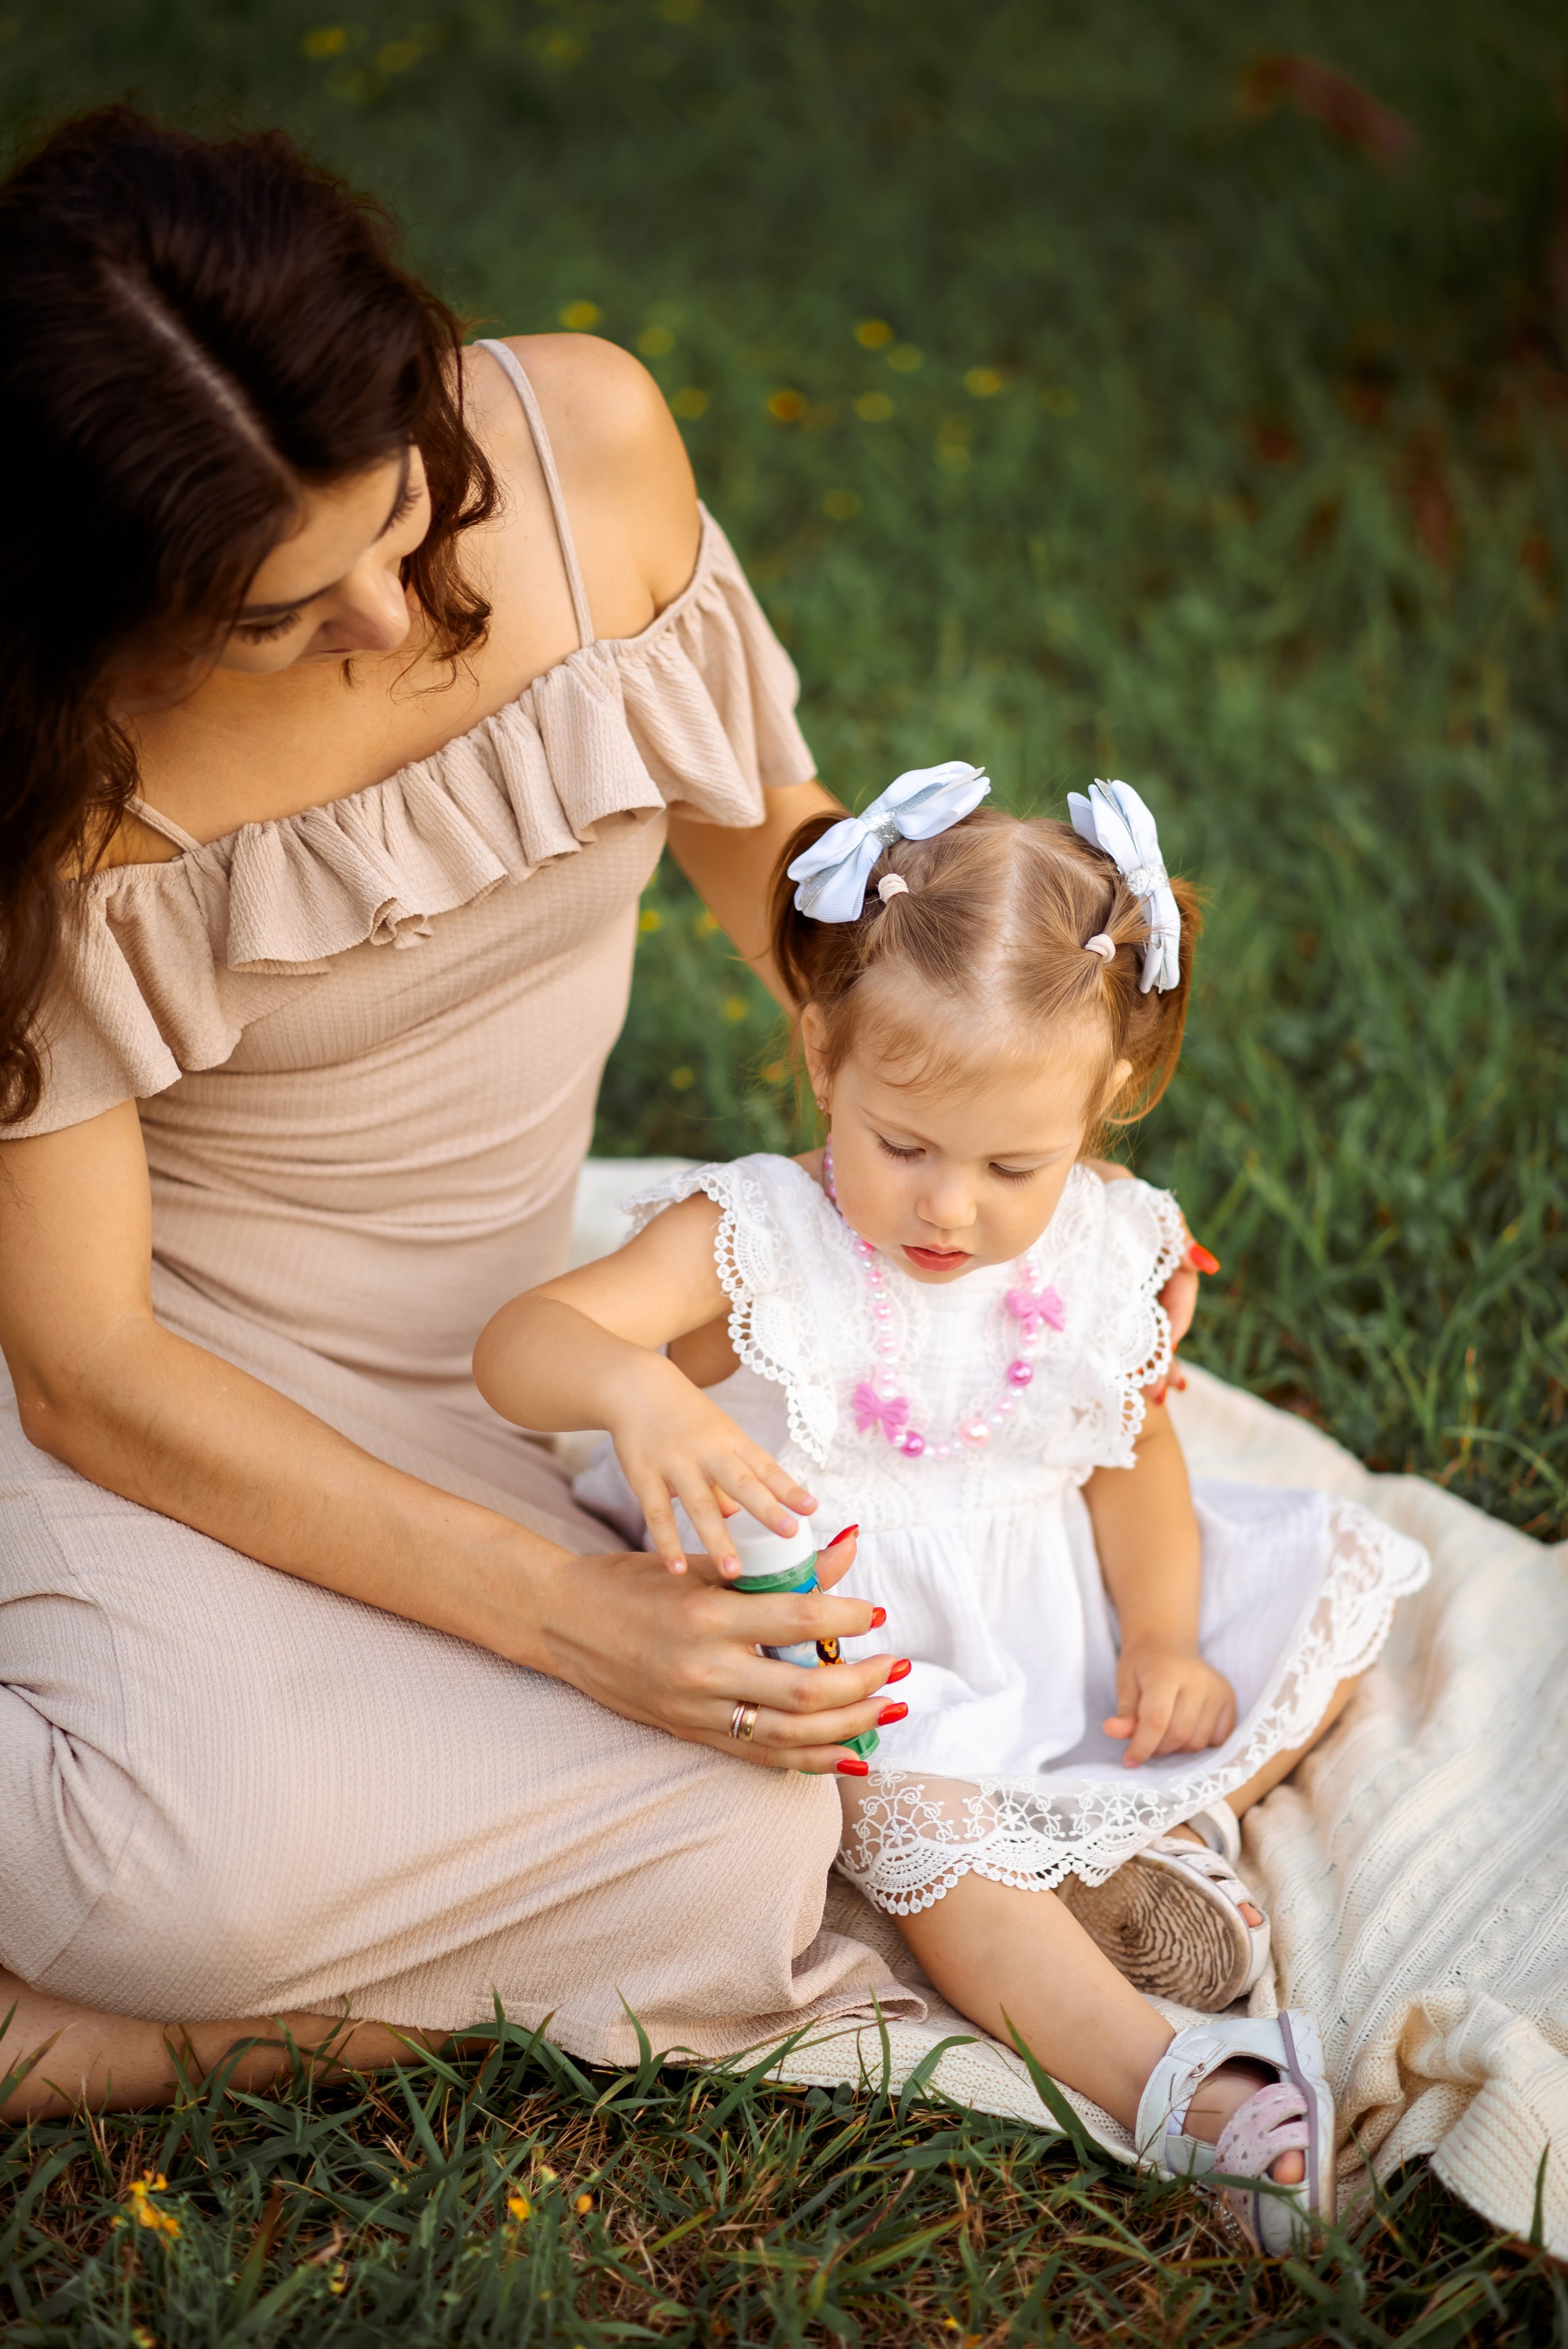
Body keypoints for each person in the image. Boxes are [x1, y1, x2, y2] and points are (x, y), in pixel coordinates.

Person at [473, 768, 1431, 2250]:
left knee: (1330, 1602)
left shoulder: (1104, 1246)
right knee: (925, 1840)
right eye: (902, 1145)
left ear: (1099, 1104)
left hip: (1037, 1617)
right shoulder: (764, 1237)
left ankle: (1122, 1843)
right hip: (869, 1675)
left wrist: (1162, 1640)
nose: (947, 1212)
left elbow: (1129, 1459)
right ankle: (1185, 2085)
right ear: (821, 1056)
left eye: (1012, 1166)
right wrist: (635, 1387)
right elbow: (518, 1349)